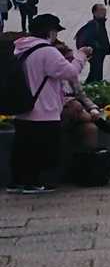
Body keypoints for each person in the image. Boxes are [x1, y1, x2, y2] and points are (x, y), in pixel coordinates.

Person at [5, 15, 89, 194]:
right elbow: (70, 72)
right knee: (40, 149)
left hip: (23, 107)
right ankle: (33, 183)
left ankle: (16, 182)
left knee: (22, 147)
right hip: (43, 109)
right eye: (55, 31)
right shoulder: (47, 51)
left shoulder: (20, 48)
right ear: (50, 31)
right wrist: (81, 56)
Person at [74, 3, 110, 83]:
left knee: (96, 73)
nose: (104, 12)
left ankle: (92, 86)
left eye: (104, 10)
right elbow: (87, 39)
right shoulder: (93, 24)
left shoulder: (100, 23)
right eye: (101, 10)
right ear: (94, 13)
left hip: (100, 53)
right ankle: (91, 87)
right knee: (96, 74)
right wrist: (99, 47)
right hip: (96, 53)